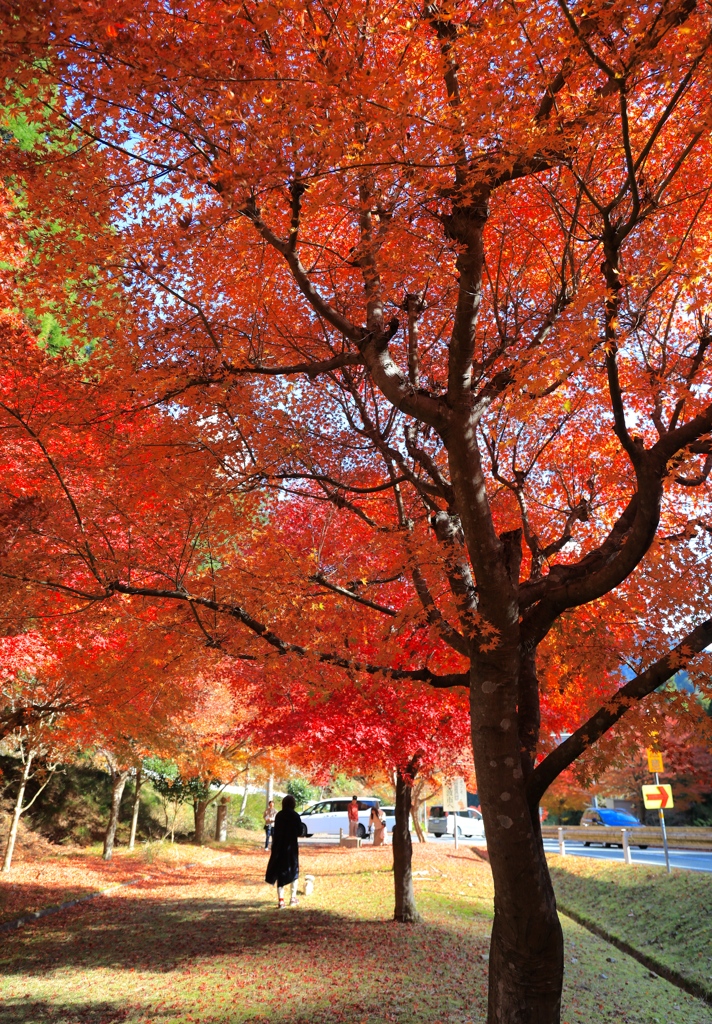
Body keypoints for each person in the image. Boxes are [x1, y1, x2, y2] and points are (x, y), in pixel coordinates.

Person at [265, 793, 302, 907]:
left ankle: (281, 900)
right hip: (291, 847)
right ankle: (293, 898)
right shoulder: (295, 816)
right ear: (293, 804)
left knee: (280, 872)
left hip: (280, 847)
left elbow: (277, 831)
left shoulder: (279, 815)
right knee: (294, 871)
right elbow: (300, 831)